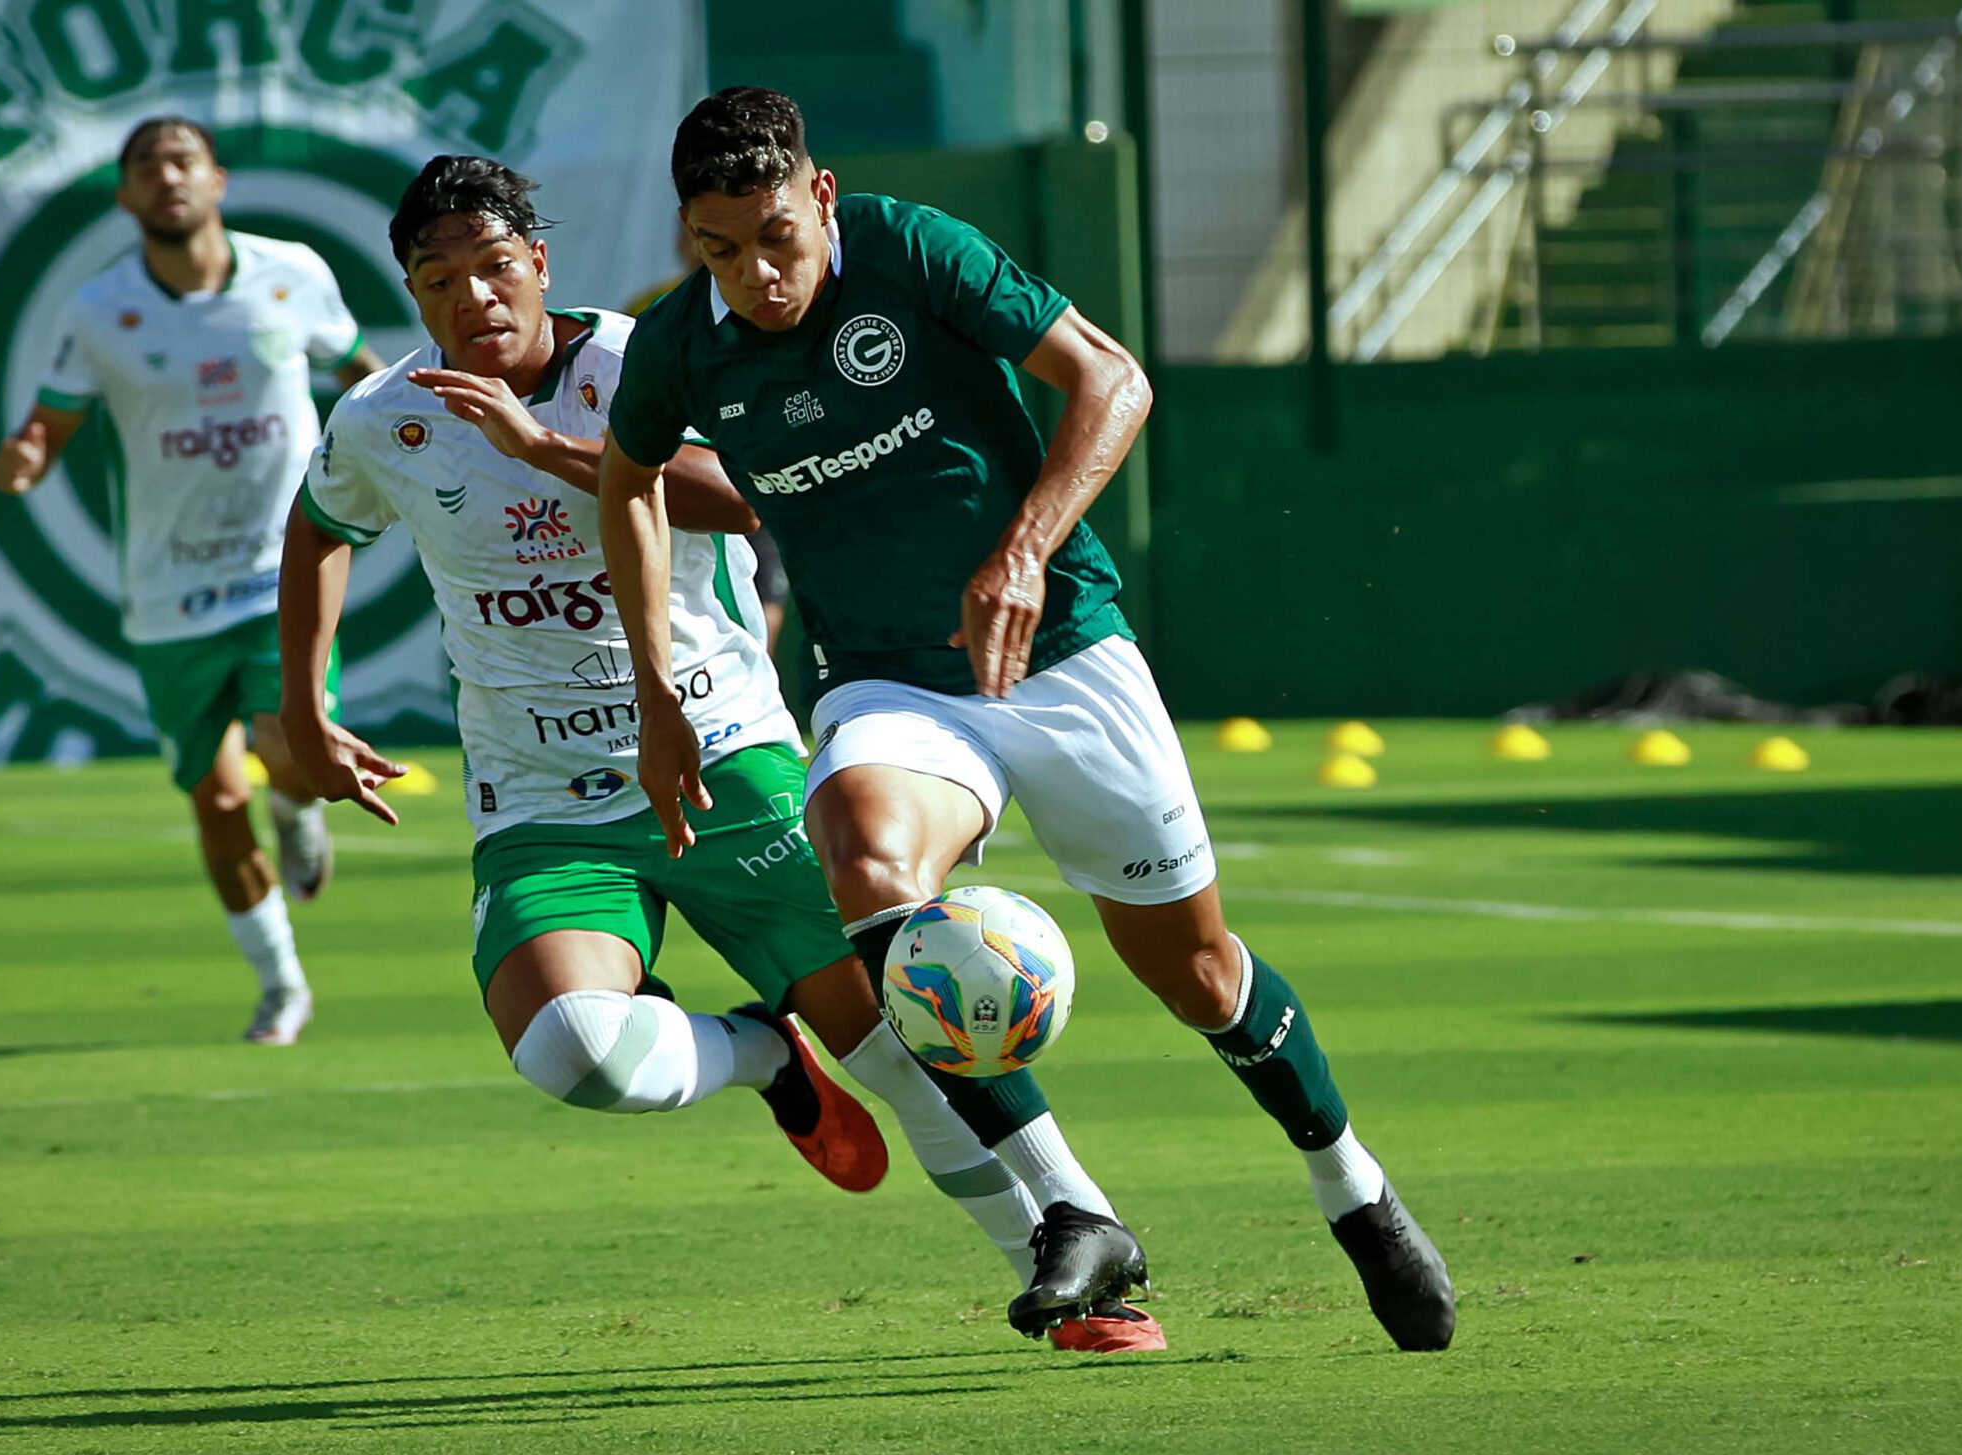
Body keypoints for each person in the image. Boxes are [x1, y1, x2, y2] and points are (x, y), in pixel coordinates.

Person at [599, 87, 1457, 1352]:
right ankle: (1071, 1204)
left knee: (1201, 977)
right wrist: (656, 691)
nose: (759, 276)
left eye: (777, 236)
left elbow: (1112, 379)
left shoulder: (911, 249)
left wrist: (1026, 548)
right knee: (864, 857)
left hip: (1060, 657)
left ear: (820, 195)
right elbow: (629, 483)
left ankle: (1353, 1186)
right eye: (722, 250)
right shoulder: (684, 344)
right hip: (890, 683)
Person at [277, 154, 1159, 1352]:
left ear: (538, 264)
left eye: (493, 268)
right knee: (573, 1052)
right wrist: (308, 699)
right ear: (414, 295)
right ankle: (758, 1048)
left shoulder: (655, 358)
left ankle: (1077, 1280)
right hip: (540, 797)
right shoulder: (389, 417)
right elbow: (319, 525)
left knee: (910, 1044)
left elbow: (740, 496)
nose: (472, 299)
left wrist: (542, 446)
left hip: (720, 756)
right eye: (439, 281)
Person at [0, 116, 388, 1046]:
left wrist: (419, 423)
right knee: (213, 799)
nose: (167, 178)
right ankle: (282, 985)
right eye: (146, 166)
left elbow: (359, 373)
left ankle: (293, 803)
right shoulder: (99, 310)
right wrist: (25, 455)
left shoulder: (290, 273)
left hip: (277, 572)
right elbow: (49, 424)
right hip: (166, 594)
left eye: (183, 161)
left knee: (286, 746)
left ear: (217, 178)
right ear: (127, 195)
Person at [630, 233, 794, 652]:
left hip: (760, 467)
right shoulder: (650, 310)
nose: (696, 250)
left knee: (764, 591)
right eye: (692, 239)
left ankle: (759, 683)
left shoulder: (761, 300)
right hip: (683, 471)